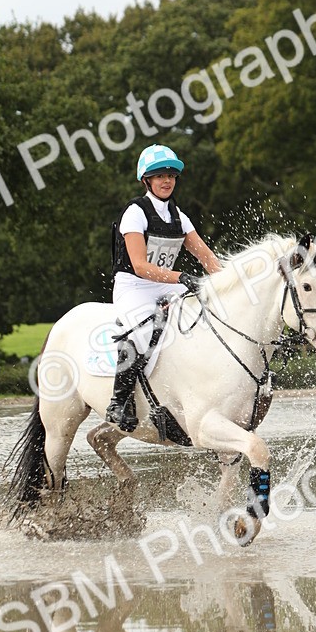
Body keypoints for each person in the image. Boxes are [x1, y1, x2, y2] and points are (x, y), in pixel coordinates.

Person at [106, 144, 222, 431]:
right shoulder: (135, 212)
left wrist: (230, 284)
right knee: (143, 331)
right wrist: (181, 277)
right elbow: (140, 266)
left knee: (203, 316)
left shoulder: (179, 216)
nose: (166, 180)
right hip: (133, 286)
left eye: (171, 175)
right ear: (146, 180)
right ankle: (119, 402)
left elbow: (206, 258)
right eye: (159, 175)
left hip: (166, 286)